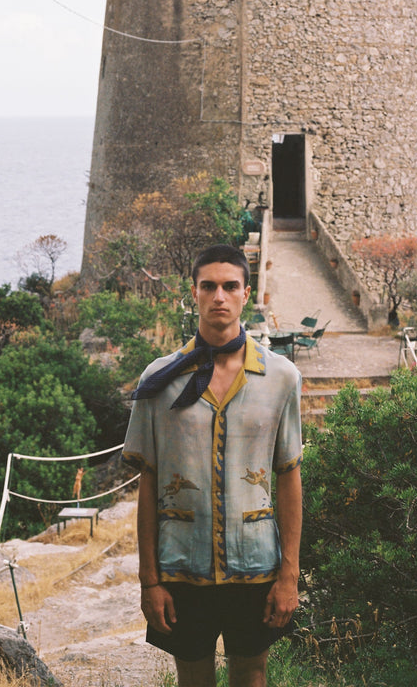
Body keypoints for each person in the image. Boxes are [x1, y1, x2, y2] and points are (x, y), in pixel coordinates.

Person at [123, 243, 302, 687]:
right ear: (194, 293)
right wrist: (149, 580)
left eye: (229, 286)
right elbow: (148, 481)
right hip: (181, 563)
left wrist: (289, 576)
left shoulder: (281, 378)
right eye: (209, 286)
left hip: (255, 563)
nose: (219, 296)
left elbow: (289, 476)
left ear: (246, 293)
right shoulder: (159, 380)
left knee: (252, 674)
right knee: (193, 678)